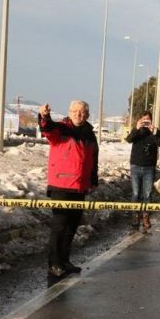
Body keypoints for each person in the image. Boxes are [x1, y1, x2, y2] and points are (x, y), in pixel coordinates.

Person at [38, 101, 98, 278]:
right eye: (75, 111)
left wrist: (93, 180)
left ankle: (64, 261)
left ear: (87, 114)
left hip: (80, 187)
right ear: (69, 112)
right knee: (59, 227)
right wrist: (44, 116)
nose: (78, 114)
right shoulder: (61, 129)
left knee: (72, 226)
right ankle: (54, 264)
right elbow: (47, 129)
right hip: (61, 186)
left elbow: (93, 160)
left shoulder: (90, 134)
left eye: (82, 112)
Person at [125, 111, 160, 231]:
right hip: (135, 166)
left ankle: (146, 217)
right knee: (136, 193)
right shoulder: (137, 131)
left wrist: (155, 132)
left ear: (151, 121)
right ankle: (135, 217)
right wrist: (136, 128)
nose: (146, 122)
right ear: (140, 120)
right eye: (144, 120)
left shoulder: (155, 132)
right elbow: (128, 140)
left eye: (148, 120)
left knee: (147, 194)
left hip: (149, 167)